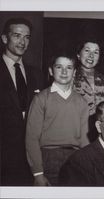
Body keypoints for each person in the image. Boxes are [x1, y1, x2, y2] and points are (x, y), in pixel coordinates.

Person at [26, 51, 89, 186]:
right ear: (50, 70)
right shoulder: (41, 99)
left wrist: (87, 164)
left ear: (74, 72)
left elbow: (85, 139)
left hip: (74, 158)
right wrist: (38, 173)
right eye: (59, 67)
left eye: (69, 67)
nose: (64, 71)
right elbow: (31, 138)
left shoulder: (81, 102)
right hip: (48, 158)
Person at [0, 17, 43, 185]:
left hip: (30, 159)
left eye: (27, 37)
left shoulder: (36, 74)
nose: (22, 41)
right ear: (4, 38)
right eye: (17, 35)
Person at [73, 39, 104, 142]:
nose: (91, 55)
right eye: (87, 50)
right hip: (75, 129)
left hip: (97, 130)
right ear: (78, 54)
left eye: (96, 52)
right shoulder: (70, 76)